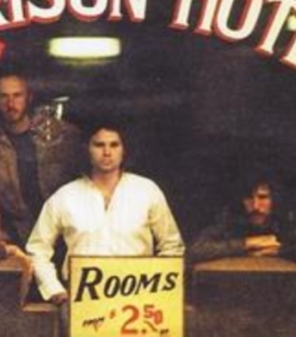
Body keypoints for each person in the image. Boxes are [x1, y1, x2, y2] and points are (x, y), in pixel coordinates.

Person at [26, 123, 185, 312]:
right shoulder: (65, 196)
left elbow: (172, 246)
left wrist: (157, 288)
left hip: (137, 296)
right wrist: (55, 290)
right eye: (99, 145)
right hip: (81, 299)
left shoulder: (147, 190)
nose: (107, 152)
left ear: (124, 150)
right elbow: (37, 249)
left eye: (114, 145)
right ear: (87, 149)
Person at [0, 70, 80, 247]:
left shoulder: (58, 131)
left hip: (64, 226)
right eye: (3, 97)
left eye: (17, 95)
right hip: (17, 230)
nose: (11, 104)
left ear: (29, 98)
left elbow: (83, 179)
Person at [189, 172, 296, 266]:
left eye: (263, 197)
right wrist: (247, 243)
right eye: (249, 198)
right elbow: (196, 250)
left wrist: (281, 251)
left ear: (275, 199)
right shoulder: (230, 218)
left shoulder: (289, 218)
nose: (256, 206)